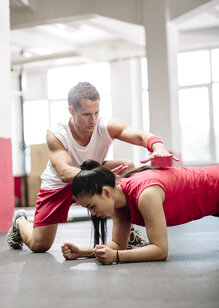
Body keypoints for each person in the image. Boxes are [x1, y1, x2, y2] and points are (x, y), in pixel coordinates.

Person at [7, 82, 178, 253]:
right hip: (59, 185)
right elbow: (64, 172)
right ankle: (20, 221)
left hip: (90, 172)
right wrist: (100, 176)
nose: (93, 120)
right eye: (86, 114)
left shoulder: (105, 126)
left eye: (96, 113)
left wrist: (157, 146)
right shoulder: (57, 133)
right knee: (40, 245)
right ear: (71, 111)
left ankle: (128, 231)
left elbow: (140, 136)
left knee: (127, 166)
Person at [61, 160, 219, 264]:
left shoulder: (146, 195)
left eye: (92, 206)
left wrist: (116, 257)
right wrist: (81, 252)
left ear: (106, 192)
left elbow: (160, 250)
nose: (93, 214)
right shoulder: (118, 201)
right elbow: (118, 244)